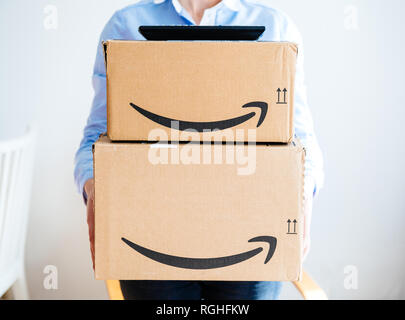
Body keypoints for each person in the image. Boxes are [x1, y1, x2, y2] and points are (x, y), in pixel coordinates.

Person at [74, 0, 324, 300]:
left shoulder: (276, 27)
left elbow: (301, 138)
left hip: (251, 234)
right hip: (151, 233)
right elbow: (96, 135)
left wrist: (302, 195)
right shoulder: (125, 26)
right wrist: (94, 186)